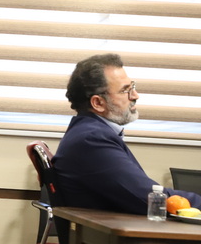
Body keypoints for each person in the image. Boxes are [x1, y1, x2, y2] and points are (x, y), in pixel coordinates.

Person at [52, 53, 201, 215]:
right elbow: (147, 199)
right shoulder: (92, 140)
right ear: (98, 103)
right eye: (125, 90)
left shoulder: (90, 132)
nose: (135, 96)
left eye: (132, 87)